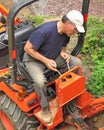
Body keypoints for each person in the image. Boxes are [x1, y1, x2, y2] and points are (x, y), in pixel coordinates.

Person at [23, 10, 85, 123]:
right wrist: (46, 61)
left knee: (76, 63)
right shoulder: (44, 31)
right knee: (40, 81)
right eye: (75, 28)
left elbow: (62, 46)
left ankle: (70, 95)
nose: (75, 32)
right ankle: (45, 107)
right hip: (34, 60)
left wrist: (63, 53)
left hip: (52, 57)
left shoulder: (66, 34)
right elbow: (27, 48)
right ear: (68, 23)